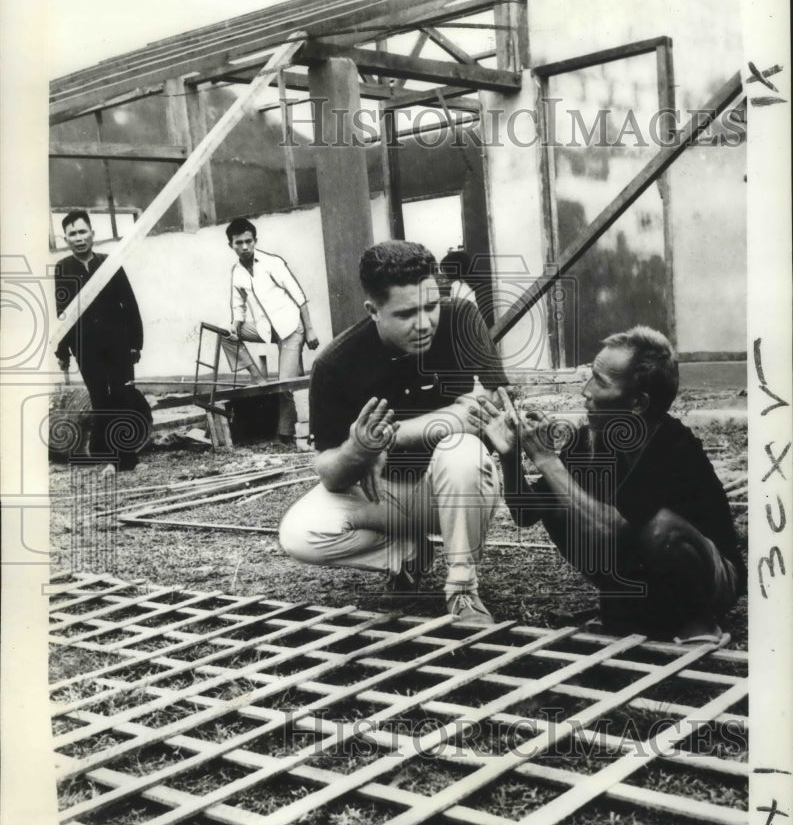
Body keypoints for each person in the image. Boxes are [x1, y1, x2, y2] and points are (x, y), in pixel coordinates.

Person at [279, 240, 509, 625]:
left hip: (457, 492)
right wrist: (358, 448)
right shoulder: (335, 364)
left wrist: (393, 436)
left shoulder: (462, 319)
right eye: (406, 314)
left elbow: (495, 407)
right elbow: (331, 474)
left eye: (431, 306)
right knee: (300, 533)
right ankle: (406, 554)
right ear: (373, 311)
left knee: (462, 450)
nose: (424, 323)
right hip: (385, 495)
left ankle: (462, 590)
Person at [482, 325, 746, 645]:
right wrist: (511, 456)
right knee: (559, 503)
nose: (586, 391)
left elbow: (618, 531)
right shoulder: (590, 439)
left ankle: (698, 622)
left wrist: (548, 461)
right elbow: (526, 513)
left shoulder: (672, 447)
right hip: (644, 573)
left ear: (638, 403)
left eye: (601, 382)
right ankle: (631, 606)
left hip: (711, 579)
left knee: (660, 528)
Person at [54, 210, 144, 471]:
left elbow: (129, 304)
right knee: (100, 399)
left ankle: (129, 459)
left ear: (92, 234)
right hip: (85, 347)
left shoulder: (110, 263)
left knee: (122, 395)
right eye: (73, 234)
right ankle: (108, 460)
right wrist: (63, 351)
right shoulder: (63, 268)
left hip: (118, 343)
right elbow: (63, 311)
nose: (79, 238)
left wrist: (135, 343)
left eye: (83, 232)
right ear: (66, 239)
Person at [220, 217, 319, 444]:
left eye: (248, 241)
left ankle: (285, 436)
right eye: (238, 243)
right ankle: (256, 377)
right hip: (266, 329)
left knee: (285, 385)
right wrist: (235, 327)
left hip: (291, 327)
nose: (244, 247)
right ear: (231, 245)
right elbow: (238, 307)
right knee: (223, 334)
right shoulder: (237, 272)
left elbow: (299, 296)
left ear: (255, 241)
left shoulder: (272, 262)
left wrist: (310, 330)